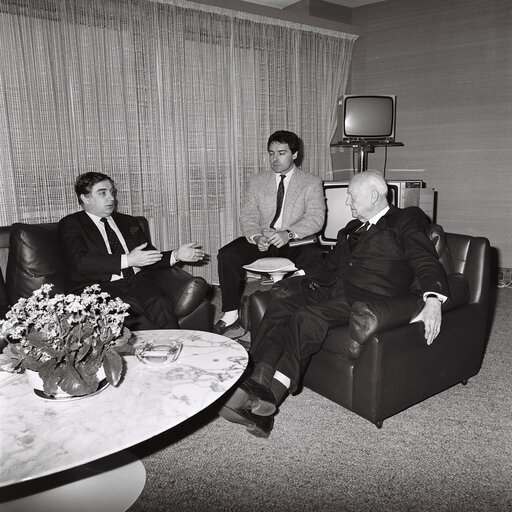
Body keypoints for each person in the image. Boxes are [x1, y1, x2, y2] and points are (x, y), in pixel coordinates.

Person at [219, 170, 450, 438]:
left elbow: (424, 259)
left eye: (352, 197)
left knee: (306, 318)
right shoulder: (351, 229)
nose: (348, 203)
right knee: (280, 307)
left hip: (368, 298)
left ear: (373, 196)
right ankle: (258, 388)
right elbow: (330, 266)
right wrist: (300, 277)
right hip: (334, 290)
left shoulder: (406, 219)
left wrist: (433, 298)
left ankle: (269, 399)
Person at [58, 172, 206, 330]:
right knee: (136, 318)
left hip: (136, 281)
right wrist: (128, 260)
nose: (112, 198)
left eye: (112, 192)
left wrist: (176, 255)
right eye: (103, 193)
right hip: (97, 287)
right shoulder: (71, 224)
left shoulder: (127, 221)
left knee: (160, 302)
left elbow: (146, 256)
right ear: (85, 198)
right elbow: (80, 262)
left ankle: (175, 348)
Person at [214, 130, 326, 335]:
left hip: (294, 240)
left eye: (281, 153)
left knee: (316, 259)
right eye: (271, 153)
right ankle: (231, 315)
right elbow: (248, 214)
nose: (275, 158)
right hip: (264, 238)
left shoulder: (311, 182)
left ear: (294, 154)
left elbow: (316, 218)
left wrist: (289, 233)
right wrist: (257, 237)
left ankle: (305, 312)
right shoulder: (258, 181)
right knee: (227, 254)